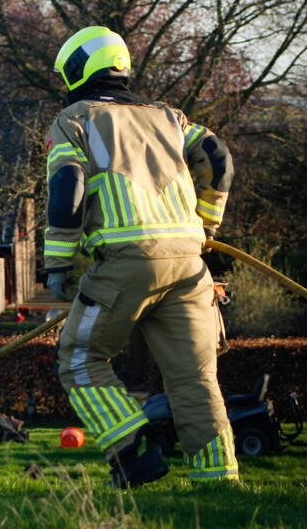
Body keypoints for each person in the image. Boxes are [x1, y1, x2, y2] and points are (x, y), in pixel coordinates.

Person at [45, 27, 237, 487]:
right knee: (195, 377)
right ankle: (219, 478)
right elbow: (219, 157)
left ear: (78, 70)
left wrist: (57, 262)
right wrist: (207, 226)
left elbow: (67, 187)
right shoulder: (170, 118)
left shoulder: (75, 119)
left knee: (78, 358)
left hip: (127, 262)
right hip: (190, 265)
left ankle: (133, 453)